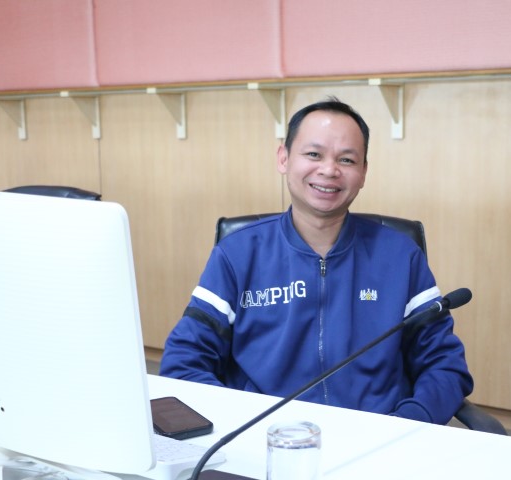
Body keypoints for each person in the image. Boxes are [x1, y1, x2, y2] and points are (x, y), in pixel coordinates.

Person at [160, 97, 473, 424]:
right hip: (264, 438)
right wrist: (242, 423)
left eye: (347, 159)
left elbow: (445, 365)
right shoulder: (237, 254)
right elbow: (184, 362)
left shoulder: (400, 256)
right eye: (313, 154)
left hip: (378, 436)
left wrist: (407, 422)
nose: (329, 170)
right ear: (283, 158)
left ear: (363, 172)